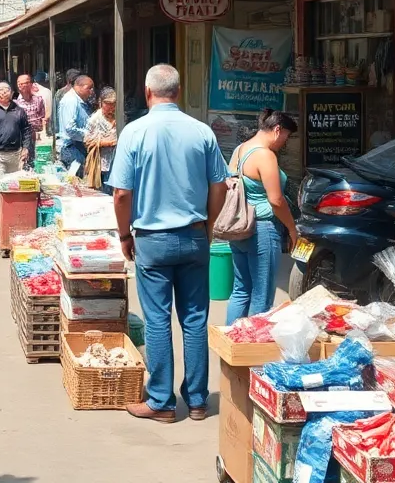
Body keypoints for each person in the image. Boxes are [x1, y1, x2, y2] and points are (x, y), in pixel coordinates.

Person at [109, 64, 228, 424]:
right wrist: (207, 225)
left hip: (152, 240)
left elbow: (121, 194)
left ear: (148, 93)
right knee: (195, 319)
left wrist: (124, 234)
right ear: (178, 91)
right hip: (193, 235)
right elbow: (220, 186)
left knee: (158, 320)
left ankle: (161, 400)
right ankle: (196, 400)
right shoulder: (201, 132)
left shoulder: (134, 132)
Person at [225, 109, 300, 323]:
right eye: (286, 136)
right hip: (262, 230)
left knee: (241, 290)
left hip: (240, 227)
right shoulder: (265, 155)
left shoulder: (241, 150)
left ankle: (233, 347)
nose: (285, 142)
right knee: (262, 295)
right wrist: (292, 229)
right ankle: (253, 352)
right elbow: (276, 200)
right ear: (277, 130)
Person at [0, 82, 33, 211]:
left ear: (11, 93)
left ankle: (12, 211)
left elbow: (26, 130)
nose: (3, 93)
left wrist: (25, 148)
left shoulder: (19, 110)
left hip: (15, 154)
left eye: (6, 91)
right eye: (1, 91)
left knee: (14, 185)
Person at [84, 87, 120, 194]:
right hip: (102, 164)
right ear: (101, 102)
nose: (111, 107)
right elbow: (87, 140)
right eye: (107, 103)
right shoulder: (95, 119)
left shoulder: (119, 116)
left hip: (116, 161)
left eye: (113, 103)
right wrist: (107, 142)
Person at [56, 73, 93, 168]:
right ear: (78, 87)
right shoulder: (71, 101)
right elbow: (70, 128)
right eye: (89, 88)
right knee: (76, 181)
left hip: (78, 147)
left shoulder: (79, 100)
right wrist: (89, 136)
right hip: (72, 149)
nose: (91, 91)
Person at [51, 68, 80, 136]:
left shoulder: (60, 93)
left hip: (72, 131)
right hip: (66, 132)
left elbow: (54, 114)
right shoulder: (60, 93)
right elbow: (55, 113)